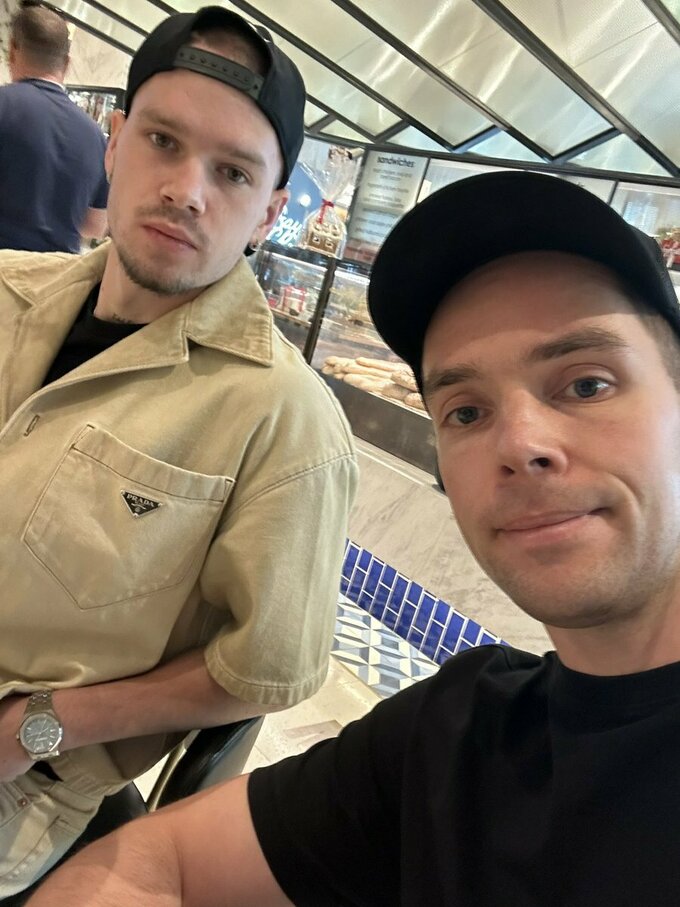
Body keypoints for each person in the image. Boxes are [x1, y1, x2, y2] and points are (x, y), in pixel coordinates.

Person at [25, 169, 680, 907]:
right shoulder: (455, 734)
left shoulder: (282, 415)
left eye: (587, 384)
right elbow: (157, 860)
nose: (521, 443)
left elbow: (269, 662)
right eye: (466, 411)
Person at [0, 5, 357, 898]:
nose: (187, 191)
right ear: (115, 143)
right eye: (163, 141)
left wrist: (41, 724)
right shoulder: (9, 290)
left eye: (232, 172)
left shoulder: (284, 421)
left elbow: (266, 669)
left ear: (270, 211)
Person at [0, 1, 109, 253]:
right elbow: (95, 227)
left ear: (13, 51)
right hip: (57, 273)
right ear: (67, 63)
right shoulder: (96, 137)